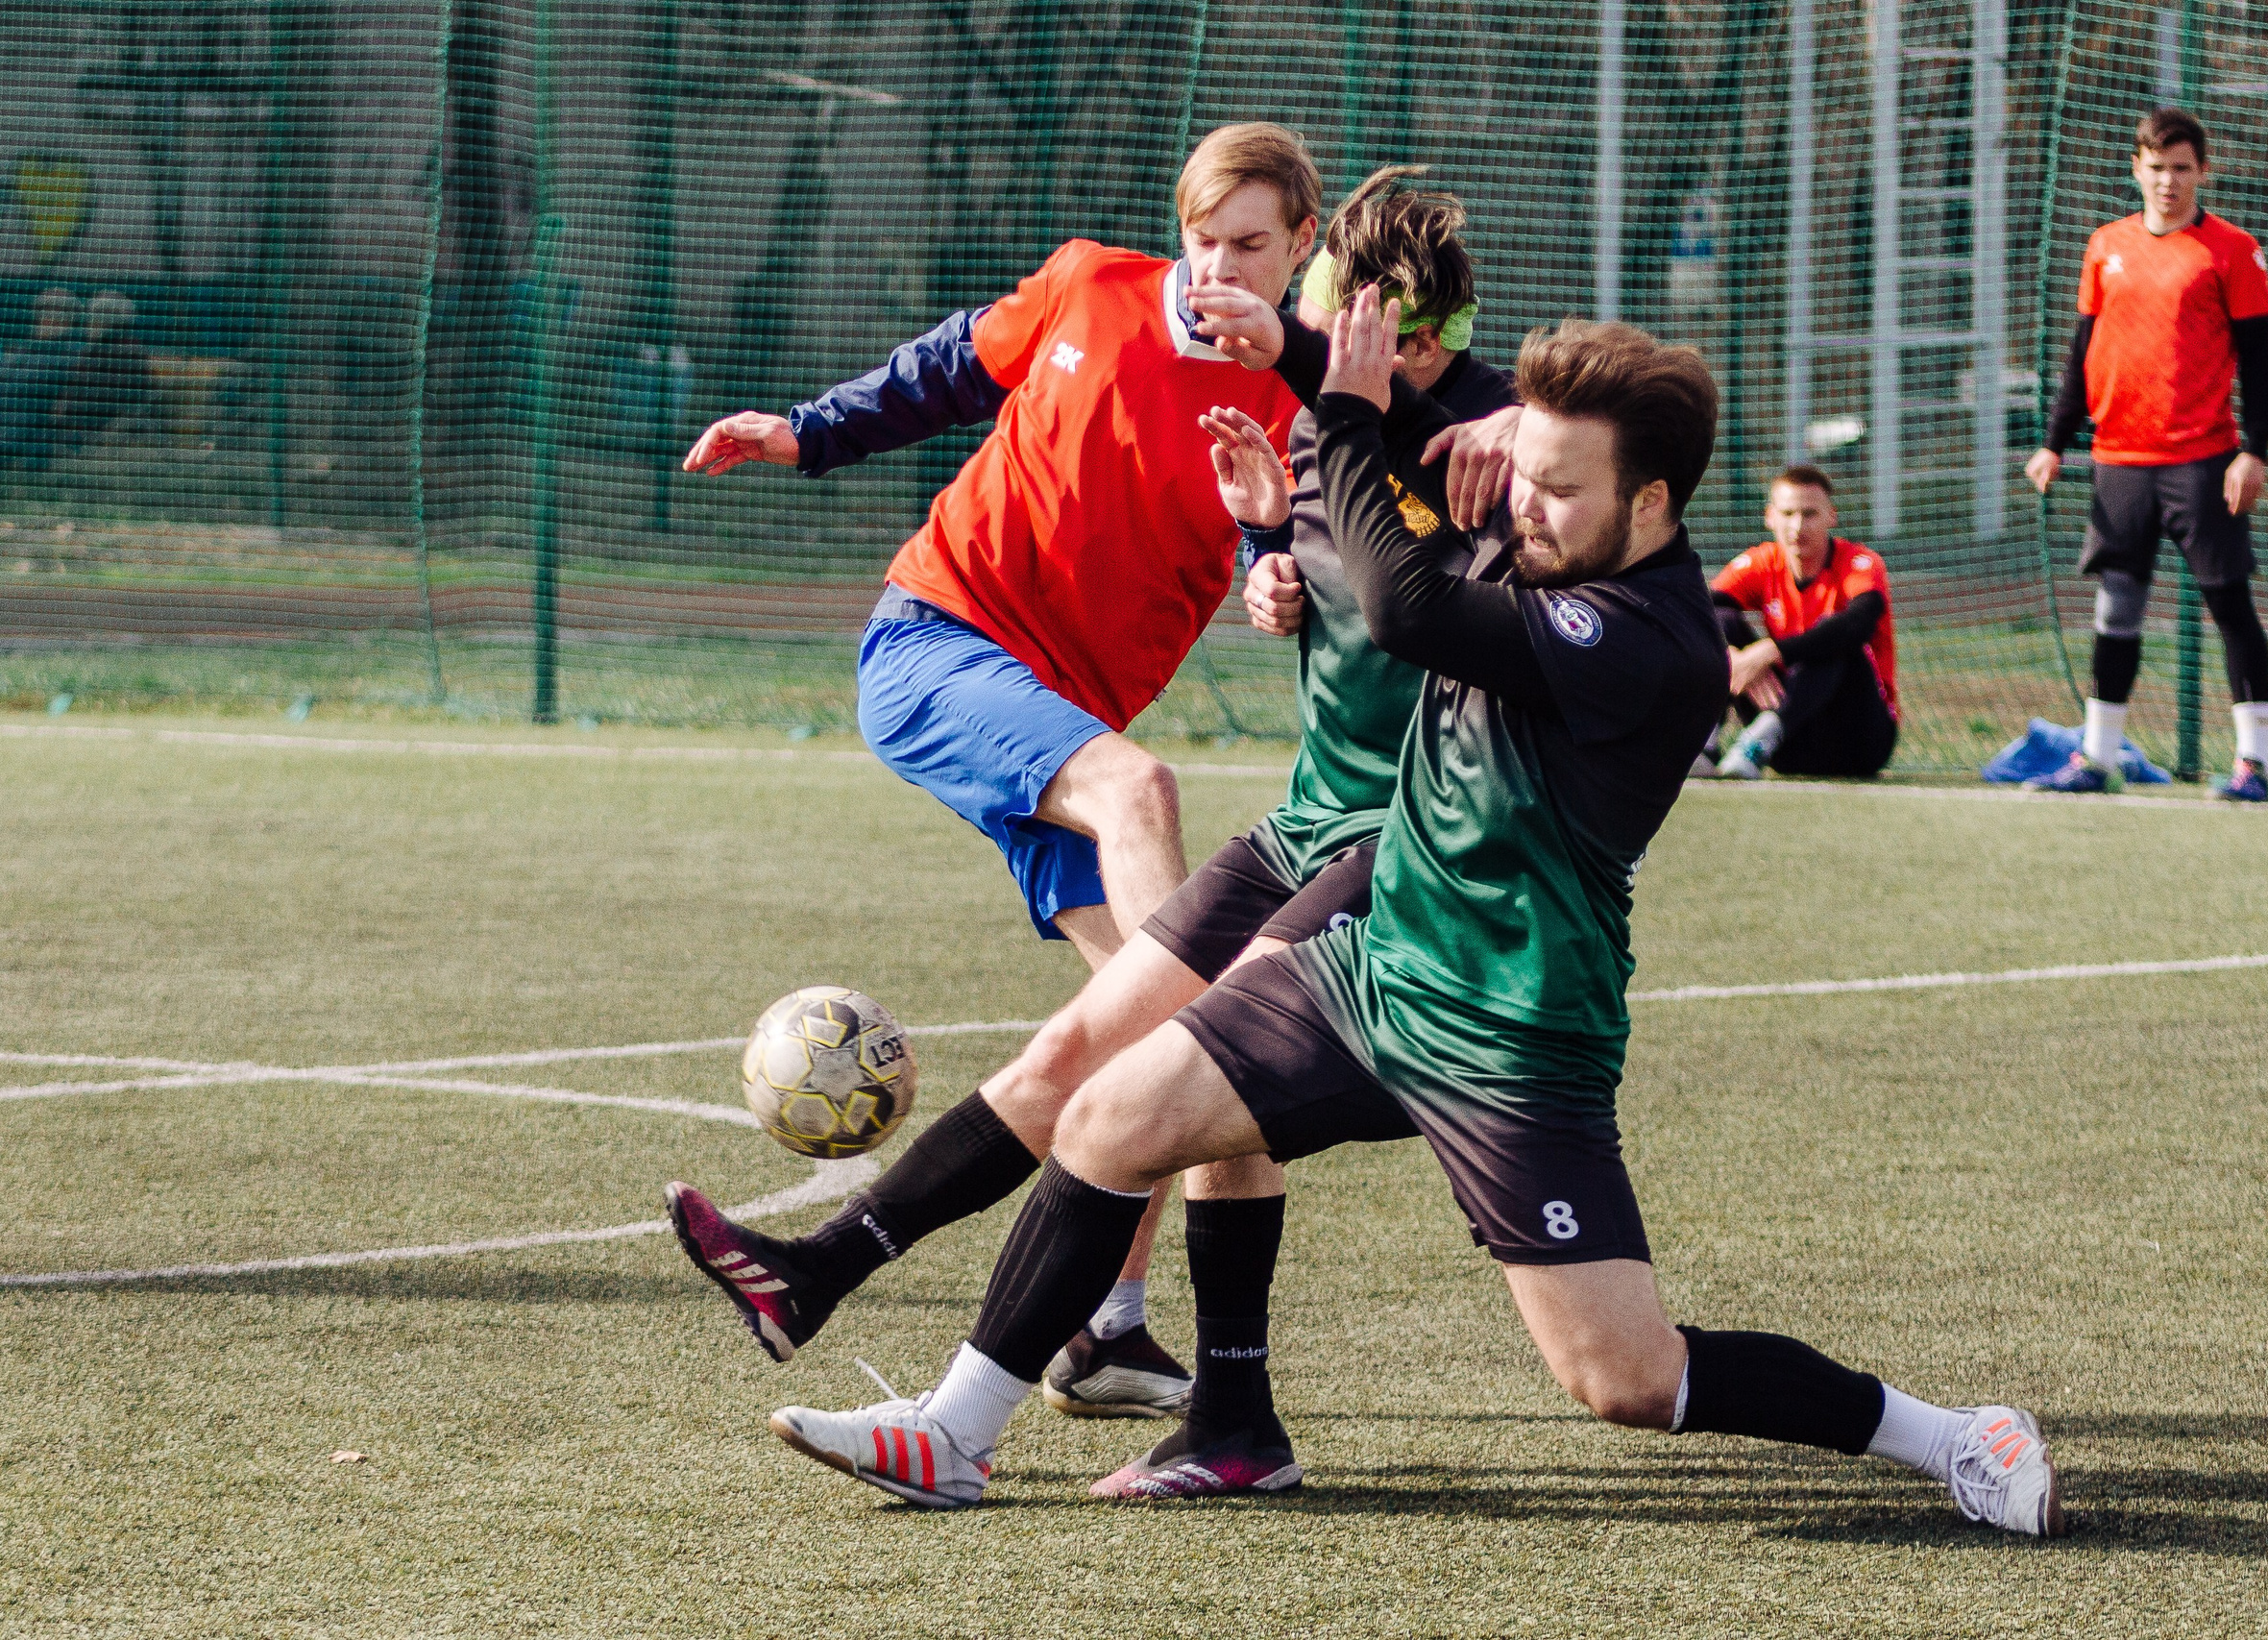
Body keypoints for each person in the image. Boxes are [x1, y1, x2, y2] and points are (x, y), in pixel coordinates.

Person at [750, 293, 2067, 1537]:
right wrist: (1305, 368)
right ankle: (954, 1432)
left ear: (1652, 501)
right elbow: (1421, 447)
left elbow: (1409, 600)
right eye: (1530, 473)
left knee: (1623, 1373)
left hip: (1512, 1028)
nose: (1530, 506)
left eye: (1563, 488)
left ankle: (1948, 1434)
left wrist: (1337, 410)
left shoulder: (1649, 634)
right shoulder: (1566, 532)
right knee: (1108, 1115)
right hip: (1368, 966)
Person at [666, 162, 1510, 1461]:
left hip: (1092, 732)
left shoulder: (1322, 401)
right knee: (1148, 807)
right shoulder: (1089, 285)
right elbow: (949, 367)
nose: (1219, 264)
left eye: (1250, 244)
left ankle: (1107, 1330)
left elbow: (1302, 541)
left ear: (1300, 255)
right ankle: (1029, 1367)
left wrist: (1266, 565)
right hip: (942, 642)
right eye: (1201, 237)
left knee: (1185, 1056)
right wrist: (805, 430)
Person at [2024, 107, 2268, 801]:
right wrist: (2054, 443)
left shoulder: (2231, 250)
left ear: (2203, 170)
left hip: (2203, 460)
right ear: (2135, 167)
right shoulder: (2104, 245)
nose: (2168, 181)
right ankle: (2095, 759)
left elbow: (2262, 364)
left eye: (2182, 167)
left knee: (2230, 606)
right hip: (2119, 462)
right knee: (2116, 609)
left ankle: (2252, 764)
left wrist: (2254, 452)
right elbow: (2082, 354)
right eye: (2157, 166)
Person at [1707, 464, 1897, 779]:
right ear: (1770, 516)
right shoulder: (1761, 562)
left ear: (1831, 517)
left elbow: (1858, 625)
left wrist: (1770, 652)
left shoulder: (1858, 562)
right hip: (1788, 745)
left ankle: (1759, 740)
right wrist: (1734, 658)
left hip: (1859, 742)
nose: (1797, 526)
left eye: (1809, 514)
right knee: (1720, 626)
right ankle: (1704, 745)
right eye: (1787, 513)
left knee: (1834, 639)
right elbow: (1702, 610)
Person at [54, 290, 153, 456]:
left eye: (94, 317)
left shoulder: (125, 352)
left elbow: (110, 397)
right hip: (82, 426)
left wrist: (67, 407)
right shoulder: (92, 351)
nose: (89, 323)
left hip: (104, 428)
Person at [0, 288, 80, 470]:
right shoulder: (16, 354)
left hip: (36, 444)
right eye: (46, 308)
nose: (51, 315)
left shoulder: (73, 356)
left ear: (71, 317)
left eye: (61, 311)